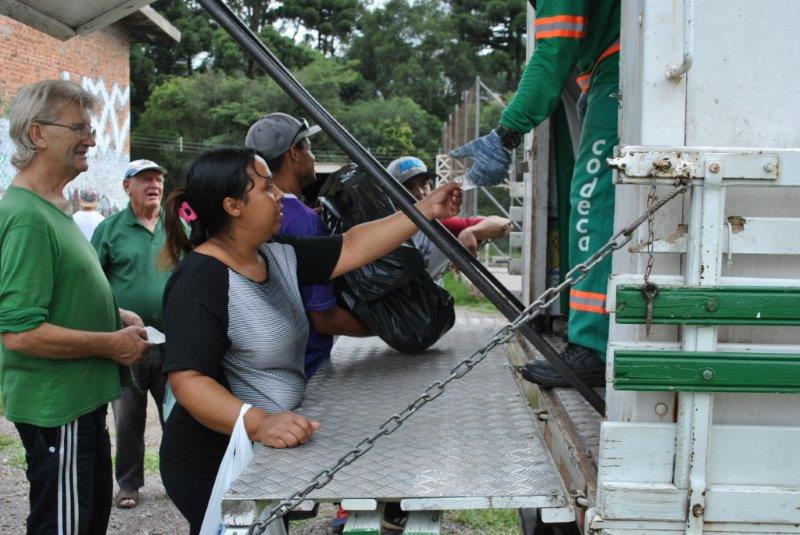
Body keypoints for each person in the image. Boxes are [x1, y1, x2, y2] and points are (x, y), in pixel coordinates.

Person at [157, 147, 461, 534]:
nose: (279, 196)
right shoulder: (201, 278)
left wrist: (424, 211)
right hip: (212, 461)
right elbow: (188, 381)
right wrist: (260, 424)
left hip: (263, 452)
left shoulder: (276, 254)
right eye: (266, 188)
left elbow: (352, 245)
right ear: (233, 206)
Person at [0, 79, 151, 534]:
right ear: (38, 135)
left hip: (77, 405)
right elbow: (21, 332)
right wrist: (110, 344)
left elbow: (59, 295)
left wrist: (114, 315)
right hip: (57, 409)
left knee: (84, 520)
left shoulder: (55, 207)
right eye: (79, 128)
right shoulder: (27, 217)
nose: (91, 139)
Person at [450, 1, 620, 388]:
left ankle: (592, 346)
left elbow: (555, 48)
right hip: (607, 70)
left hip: (616, 70)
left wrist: (507, 133)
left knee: (592, 201)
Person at [245, 113, 370, 379]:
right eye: (310, 148)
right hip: (306, 369)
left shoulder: (250, 217)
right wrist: (383, 329)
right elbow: (323, 318)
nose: (313, 158)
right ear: (294, 153)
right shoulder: (305, 223)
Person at [90, 158, 171, 510]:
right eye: (144, 180)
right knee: (128, 418)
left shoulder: (177, 226)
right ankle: (129, 484)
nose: (153, 185)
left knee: (179, 416)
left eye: (157, 180)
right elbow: (92, 284)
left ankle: (180, 478)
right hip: (128, 342)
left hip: (174, 341)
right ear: (127, 187)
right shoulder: (109, 229)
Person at [387, 156, 512, 278]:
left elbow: (505, 224)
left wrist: (471, 232)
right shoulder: (381, 229)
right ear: (392, 193)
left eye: (424, 184)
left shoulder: (440, 226)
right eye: (409, 187)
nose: (420, 192)